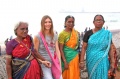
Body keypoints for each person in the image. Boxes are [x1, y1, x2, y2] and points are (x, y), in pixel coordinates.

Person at [80, 14, 115, 79]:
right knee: (92, 75)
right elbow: (84, 48)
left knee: (103, 75)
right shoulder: (88, 33)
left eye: (100, 20)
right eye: (97, 20)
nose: (98, 21)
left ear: (103, 22)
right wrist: (81, 61)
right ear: (93, 22)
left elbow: (110, 48)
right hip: (91, 60)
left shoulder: (107, 34)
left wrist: (112, 62)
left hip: (103, 60)